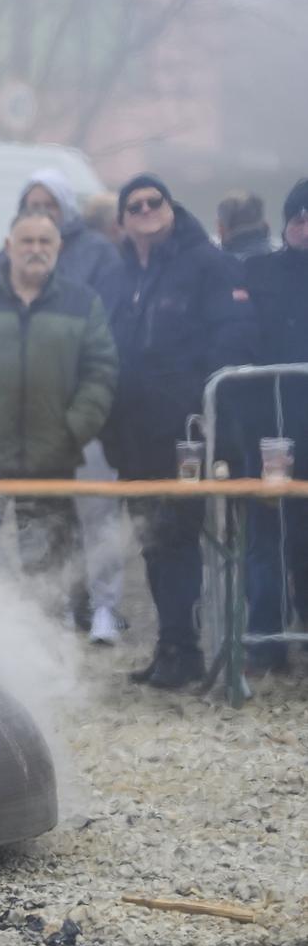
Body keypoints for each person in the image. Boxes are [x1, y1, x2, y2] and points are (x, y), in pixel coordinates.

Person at [99, 174, 256, 689]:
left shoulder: (205, 263)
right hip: (132, 433)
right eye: (135, 205)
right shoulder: (119, 276)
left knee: (181, 540)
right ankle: (168, 646)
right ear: (122, 221)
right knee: (151, 541)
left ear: (170, 207)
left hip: (186, 432)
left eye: (154, 201)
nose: (146, 209)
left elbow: (233, 338)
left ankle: (186, 651)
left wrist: (191, 397)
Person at [0, 211, 118, 630]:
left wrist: (72, 430)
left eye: (44, 242)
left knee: (48, 571)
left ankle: (46, 654)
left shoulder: (81, 302)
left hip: (50, 461)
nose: (36, 249)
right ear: (9, 246)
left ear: (58, 249)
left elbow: (100, 374)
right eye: (27, 241)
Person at [0, 170, 129, 642]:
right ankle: (58, 607)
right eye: (32, 202)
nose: (40, 210)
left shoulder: (98, 254)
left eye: (49, 202)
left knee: (95, 511)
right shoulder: (3, 256)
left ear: (65, 208)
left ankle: (105, 606)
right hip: (28, 415)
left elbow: (107, 331)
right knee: (44, 515)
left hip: (82, 411)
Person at [239, 178, 308, 674]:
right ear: (287, 225)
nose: (307, 228)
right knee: (263, 535)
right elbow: (241, 341)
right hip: (270, 426)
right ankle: (264, 640)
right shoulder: (259, 271)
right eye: (299, 218)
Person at [217, 191, 272, 262]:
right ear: (265, 223)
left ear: (224, 228)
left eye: (220, 223)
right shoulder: (277, 257)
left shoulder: (225, 265)